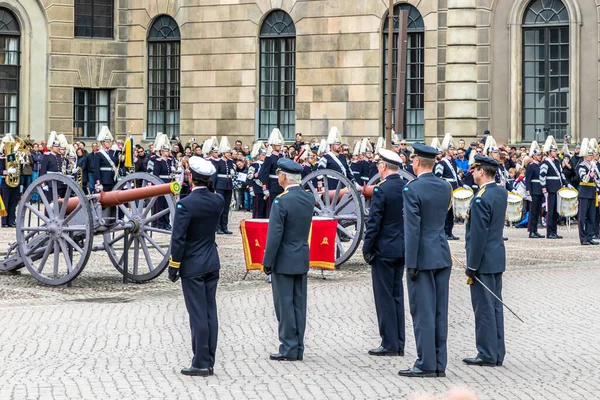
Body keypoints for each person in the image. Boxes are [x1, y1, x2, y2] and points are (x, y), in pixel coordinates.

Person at [398, 144, 452, 378]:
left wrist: (410, 264)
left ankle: (425, 363)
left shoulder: (412, 189)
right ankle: (439, 362)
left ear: (417, 162)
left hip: (422, 256)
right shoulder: (444, 186)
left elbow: (412, 230)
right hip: (441, 252)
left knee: (423, 312)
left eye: (413, 161)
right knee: (440, 311)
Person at [168, 156, 224, 377]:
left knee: (198, 315)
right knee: (210, 312)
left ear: (190, 177)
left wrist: (174, 267)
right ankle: (209, 360)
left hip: (193, 264)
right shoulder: (218, 200)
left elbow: (178, 240)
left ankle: (200, 362)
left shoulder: (185, 205)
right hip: (212, 261)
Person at [262, 158, 314, 362]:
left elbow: (274, 235)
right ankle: (298, 345)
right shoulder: (308, 198)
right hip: (301, 255)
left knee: (284, 305)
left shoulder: (281, 201)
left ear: (284, 176)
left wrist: (267, 261)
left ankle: (288, 347)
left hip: (283, 258)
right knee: (298, 305)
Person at [463, 155, 508, 368]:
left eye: (474, 169)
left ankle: (487, 353)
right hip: (496, 257)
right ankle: (497, 351)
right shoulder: (499, 192)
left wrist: (471, 266)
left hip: (483, 261)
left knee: (484, 309)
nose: (472, 173)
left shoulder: (480, 198)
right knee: (495, 306)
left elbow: (478, 236)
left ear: (482, 171)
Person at [362, 149, 406, 357]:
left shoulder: (381, 190)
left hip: (384, 250)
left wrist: (367, 248)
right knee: (397, 295)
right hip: (401, 248)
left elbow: (374, 223)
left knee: (384, 297)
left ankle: (389, 343)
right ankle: (399, 341)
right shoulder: (405, 187)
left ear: (383, 167)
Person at [540, 138, 571, 239]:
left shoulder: (557, 162)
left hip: (557, 189)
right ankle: (549, 232)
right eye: (554, 151)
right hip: (550, 189)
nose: (555, 152)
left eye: (556, 151)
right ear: (549, 152)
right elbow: (542, 176)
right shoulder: (546, 163)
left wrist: (567, 183)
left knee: (556, 211)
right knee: (550, 210)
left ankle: (554, 231)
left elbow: (561, 175)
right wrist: (544, 187)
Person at [577, 140, 599, 245]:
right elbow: (584, 179)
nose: (592, 157)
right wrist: (590, 173)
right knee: (582, 216)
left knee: (591, 216)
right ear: (586, 156)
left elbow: (597, 180)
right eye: (590, 155)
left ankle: (590, 236)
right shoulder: (581, 166)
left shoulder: (593, 166)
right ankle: (583, 237)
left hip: (592, 192)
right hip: (584, 193)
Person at [259, 128, 285, 216]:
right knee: (273, 207)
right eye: (278, 145)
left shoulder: (282, 156)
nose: (280, 146)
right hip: (273, 185)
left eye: (280, 145)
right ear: (273, 145)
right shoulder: (269, 158)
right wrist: (265, 187)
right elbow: (264, 173)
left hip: (282, 184)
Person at [0, 134, 20, 227]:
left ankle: (12, 221)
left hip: (14, 182)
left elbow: (18, 168)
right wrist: (6, 171)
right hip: (5, 182)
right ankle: (4, 222)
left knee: (13, 203)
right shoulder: (1, 158)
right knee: (6, 202)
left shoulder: (13, 156)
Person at [94, 126, 120, 192]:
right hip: (104, 180)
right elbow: (97, 170)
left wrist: (121, 157)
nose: (109, 143)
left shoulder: (113, 152)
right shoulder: (98, 154)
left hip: (113, 179)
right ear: (102, 142)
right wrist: (98, 182)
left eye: (109, 141)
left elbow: (117, 164)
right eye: (106, 141)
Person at [526, 146, 544, 238]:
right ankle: (531, 231)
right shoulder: (531, 165)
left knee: (537, 212)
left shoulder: (540, 165)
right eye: (537, 155)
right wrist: (528, 191)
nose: (539, 156)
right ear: (533, 156)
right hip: (533, 191)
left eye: (540, 155)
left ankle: (535, 230)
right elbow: (528, 179)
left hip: (540, 190)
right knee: (532, 212)